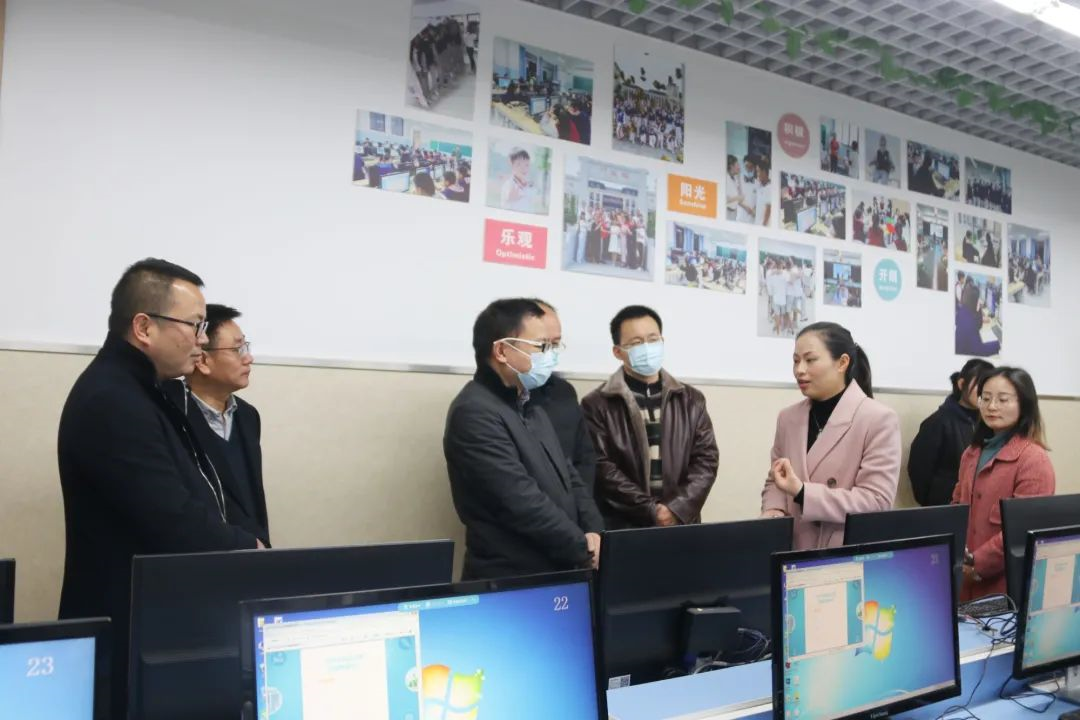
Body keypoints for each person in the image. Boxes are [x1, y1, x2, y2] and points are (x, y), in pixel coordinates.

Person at [57, 259, 263, 714]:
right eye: (195, 325)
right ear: (144, 327)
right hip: (127, 630)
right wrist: (247, 548)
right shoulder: (113, 399)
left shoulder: (142, 390)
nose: (203, 339)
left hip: (155, 621)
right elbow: (173, 520)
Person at [444, 299, 603, 579]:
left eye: (553, 346)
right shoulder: (474, 412)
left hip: (560, 567)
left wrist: (596, 533)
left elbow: (569, 475)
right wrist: (583, 548)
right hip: (511, 577)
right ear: (502, 351)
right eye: (541, 346)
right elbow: (519, 502)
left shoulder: (528, 403)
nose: (550, 356)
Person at [760, 322, 901, 550]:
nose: (799, 370)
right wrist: (773, 511)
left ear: (842, 363)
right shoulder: (788, 418)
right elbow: (776, 480)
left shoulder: (878, 418)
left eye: (810, 360)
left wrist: (803, 493)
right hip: (792, 550)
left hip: (845, 553)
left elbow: (876, 502)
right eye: (795, 361)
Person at [581, 306, 719, 529]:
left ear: (662, 341)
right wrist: (651, 510)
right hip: (624, 526)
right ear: (617, 352)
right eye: (636, 343)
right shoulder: (596, 404)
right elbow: (601, 467)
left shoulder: (691, 400)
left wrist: (676, 508)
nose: (646, 347)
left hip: (681, 523)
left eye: (653, 339)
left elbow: (706, 460)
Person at [165, 304, 270, 545]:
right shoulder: (170, 411)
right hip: (198, 552)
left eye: (246, 346)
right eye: (237, 349)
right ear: (202, 359)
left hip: (249, 553)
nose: (248, 358)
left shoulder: (248, 415)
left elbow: (251, 498)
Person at [952, 367, 1055, 600]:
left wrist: (976, 564)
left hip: (1004, 588)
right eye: (986, 398)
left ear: (1024, 404)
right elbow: (956, 505)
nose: (992, 406)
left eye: (1003, 399)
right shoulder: (971, 453)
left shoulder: (1033, 459)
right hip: (961, 580)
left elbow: (1021, 531)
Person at [525, 301, 598, 496]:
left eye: (555, 344)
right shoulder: (485, 405)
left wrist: (583, 509)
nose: (549, 352)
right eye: (542, 344)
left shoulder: (563, 391)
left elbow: (584, 458)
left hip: (574, 509)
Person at [908, 359, 994, 507]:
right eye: (979, 385)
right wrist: (935, 503)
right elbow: (919, 471)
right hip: (947, 509)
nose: (984, 393)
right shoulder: (938, 422)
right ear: (961, 384)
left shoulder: (990, 422)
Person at [955, 281, 1000, 356]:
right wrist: (998, 344)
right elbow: (980, 351)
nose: (979, 301)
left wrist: (978, 311)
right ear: (974, 301)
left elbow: (977, 324)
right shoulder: (970, 324)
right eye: (977, 299)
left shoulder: (963, 311)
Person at [499, 147, 536, 212]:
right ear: (511, 164)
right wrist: (510, 197)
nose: (523, 168)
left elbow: (531, 199)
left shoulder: (528, 185)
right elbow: (507, 200)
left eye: (526, 165)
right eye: (519, 164)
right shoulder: (509, 184)